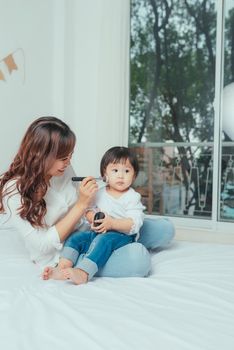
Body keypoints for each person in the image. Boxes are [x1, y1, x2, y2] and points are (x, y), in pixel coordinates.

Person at [0, 116, 175, 278]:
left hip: (91, 228)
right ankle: (83, 264)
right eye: (62, 157)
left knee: (165, 230)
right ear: (40, 155)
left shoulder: (63, 169)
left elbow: (87, 204)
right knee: (139, 259)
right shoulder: (14, 191)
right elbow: (42, 245)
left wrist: (99, 211)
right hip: (65, 250)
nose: (68, 162)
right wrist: (81, 205)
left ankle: (116, 244)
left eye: (70, 155)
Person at [43, 146, 145, 284]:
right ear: (105, 174)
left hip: (122, 236)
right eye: (115, 170)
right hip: (97, 232)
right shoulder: (99, 193)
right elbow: (88, 211)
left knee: (104, 240)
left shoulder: (132, 197)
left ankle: (83, 272)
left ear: (134, 175)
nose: (121, 176)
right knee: (76, 238)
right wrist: (92, 217)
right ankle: (62, 268)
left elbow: (135, 223)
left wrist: (112, 224)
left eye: (126, 171)